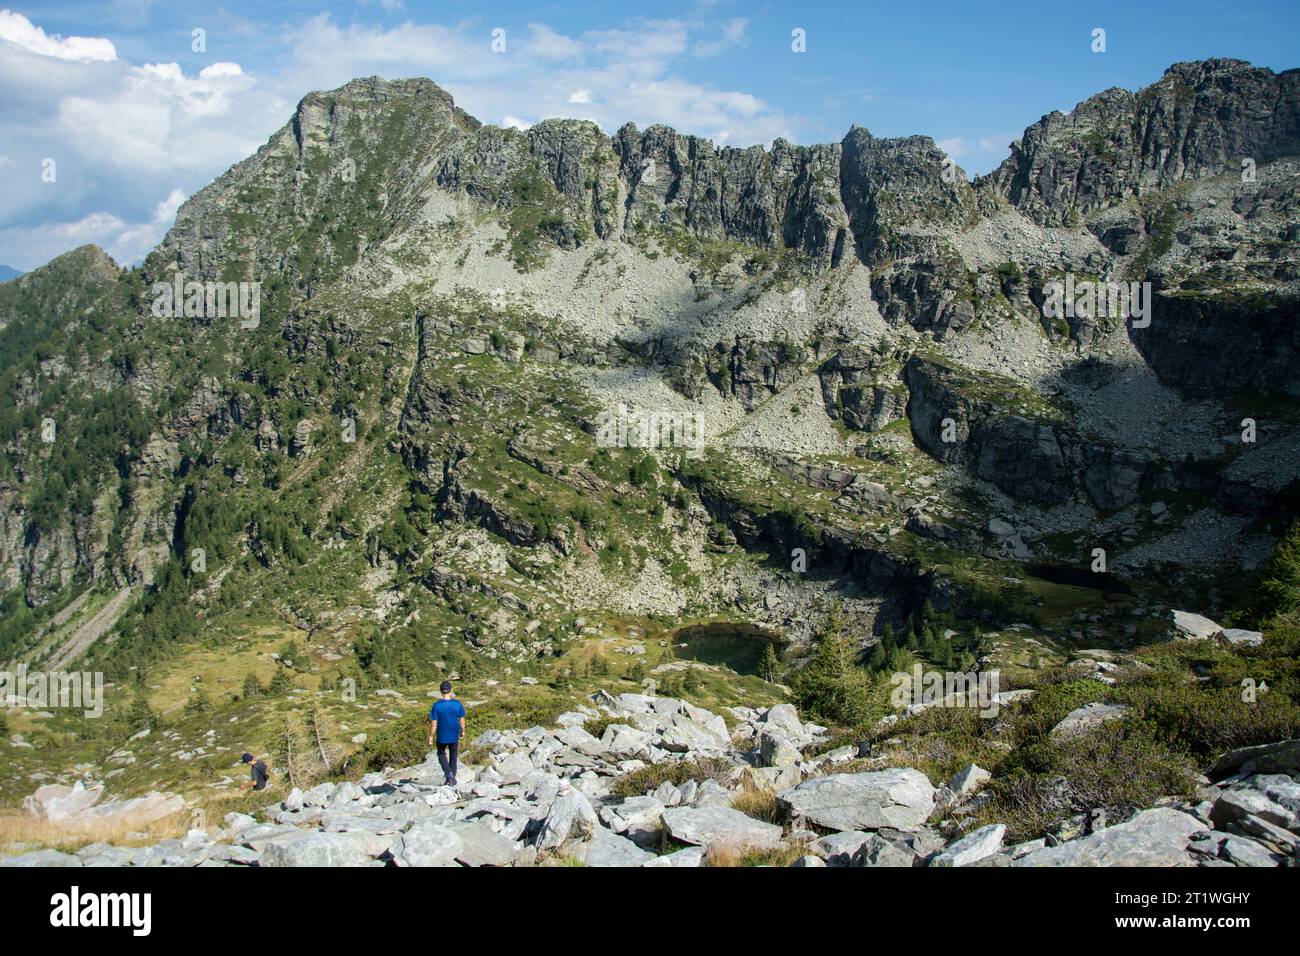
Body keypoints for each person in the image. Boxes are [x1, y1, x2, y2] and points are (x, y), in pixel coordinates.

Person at [427, 680, 467, 786]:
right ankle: (451, 778)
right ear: (451, 690)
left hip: (441, 735)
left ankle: (449, 774)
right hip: (454, 734)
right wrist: (463, 731)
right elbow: (462, 720)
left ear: (441, 691)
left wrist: (430, 736)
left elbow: (434, 724)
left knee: (441, 754)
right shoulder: (457, 704)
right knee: (453, 756)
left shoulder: (436, 706)